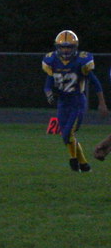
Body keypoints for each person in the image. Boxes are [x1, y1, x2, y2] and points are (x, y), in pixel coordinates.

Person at [42, 30, 108, 172]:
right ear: (57, 47)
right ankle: (84, 165)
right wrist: (48, 93)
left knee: (68, 133)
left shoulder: (81, 61)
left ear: (75, 47)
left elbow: (95, 83)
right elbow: (47, 84)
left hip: (77, 102)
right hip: (62, 103)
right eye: (63, 47)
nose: (65, 50)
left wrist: (102, 103)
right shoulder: (51, 61)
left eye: (69, 47)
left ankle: (73, 160)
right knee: (66, 136)